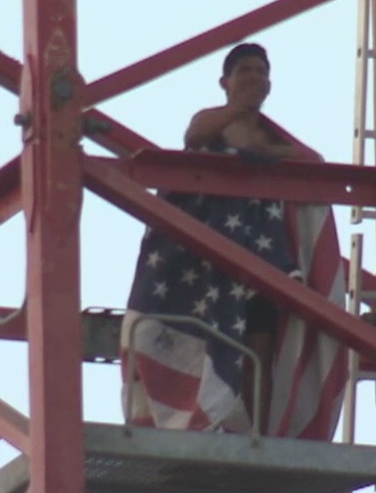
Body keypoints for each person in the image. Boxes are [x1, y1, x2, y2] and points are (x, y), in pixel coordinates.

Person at [120, 43, 345, 444]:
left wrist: (268, 152)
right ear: (224, 82)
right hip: (208, 258)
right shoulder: (212, 120)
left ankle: (257, 433)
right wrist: (246, 122)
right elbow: (196, 134)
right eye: (245, 71)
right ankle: (205, 422)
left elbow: (311, 163)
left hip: (259, 256)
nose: (254, 78)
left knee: (259, 340)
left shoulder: (272, 137)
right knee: (214, 340)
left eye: (261, 72)